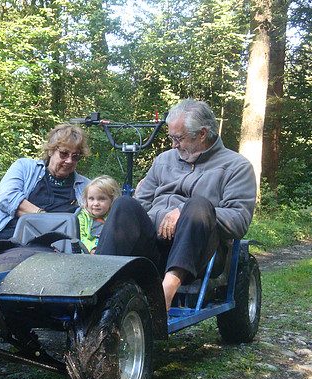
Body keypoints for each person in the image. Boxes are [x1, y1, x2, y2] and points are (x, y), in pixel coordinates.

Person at [95, 99, 257, 311]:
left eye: (178, 138)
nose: (174, 145)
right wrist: (164, 216)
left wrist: (184, 214)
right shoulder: (164, 160)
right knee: (124, 204)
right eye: (171, 138)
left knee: (198, 206)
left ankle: (166, 292)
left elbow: (239, 220)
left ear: (202, 134)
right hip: (155, 248)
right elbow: (141, 204)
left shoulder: (236, 166)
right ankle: (98, 287)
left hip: (201, 255)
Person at [0, 123, 91, 251]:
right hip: (4, 238)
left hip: (54, 251)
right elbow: (6, 197)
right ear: (51, 150)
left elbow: (100, 219)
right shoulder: (24, 167)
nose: (69, 161)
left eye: (76, 156)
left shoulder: (86, 187)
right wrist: (44, 217)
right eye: (64, 153)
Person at [77, 175, 121, 253]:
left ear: (112, 200)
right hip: (87, 253)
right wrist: (91, 249)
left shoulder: (114, 217)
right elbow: (81, 237)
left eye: (101, 199)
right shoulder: (82, 216)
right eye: (91, 199)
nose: (96, 203)